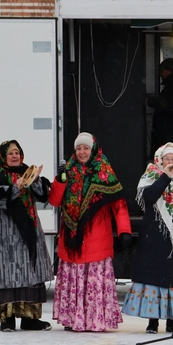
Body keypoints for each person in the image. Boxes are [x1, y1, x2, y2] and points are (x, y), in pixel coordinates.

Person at [48, 132, 132, 332]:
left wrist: (124, 231)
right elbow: (54, 201)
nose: (82, 152)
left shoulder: (104, 171)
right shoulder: (68, 170)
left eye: (85, 148)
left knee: (93, 282)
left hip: (97, 239)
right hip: (71, 240)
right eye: (78, 148)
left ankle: (95, 320)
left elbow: (118, 204)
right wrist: (60, 180)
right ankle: (72, 319)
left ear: (93, 149)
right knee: (74, 281)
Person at [122, 143, 173, 333]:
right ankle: (153, 321)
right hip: (152, 237)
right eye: (167, 159)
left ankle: (172, 322)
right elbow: (149, 197)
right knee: (152, 279)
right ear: (159, 160)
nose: (170, 162)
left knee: (172, 280)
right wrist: (165, 176)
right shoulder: (150, 176)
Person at [0, 140, 54, 332]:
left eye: (17, 152)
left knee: (29, 273)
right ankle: (7, 319)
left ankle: (30, 319)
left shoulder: (26, 172)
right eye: (11, 153)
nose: (15, 156)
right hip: (5, 235)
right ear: (3, 156)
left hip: (28, 232)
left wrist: (36, 179)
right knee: (7, 273)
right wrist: (15, 187)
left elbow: (42, 196)